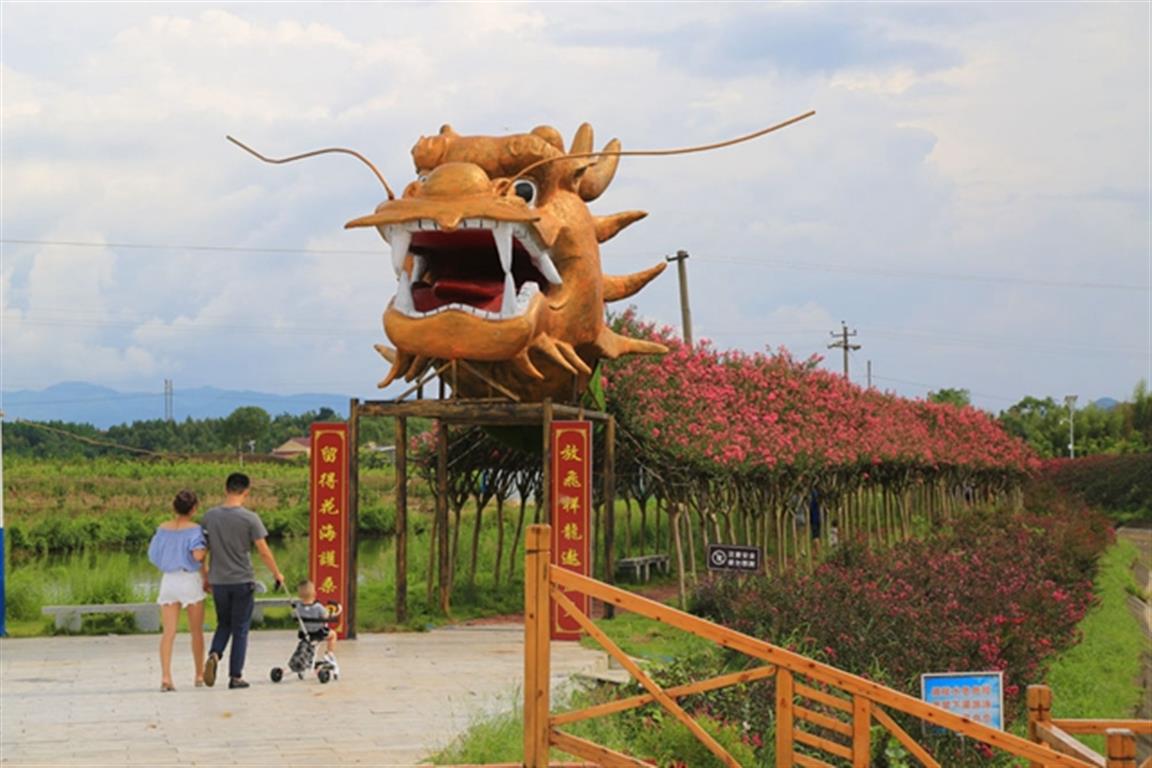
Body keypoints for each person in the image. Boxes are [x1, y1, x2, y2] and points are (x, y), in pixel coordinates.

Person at [200, 472, 284, 690]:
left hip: (219, 581)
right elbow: (263, 551)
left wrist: (205, 576)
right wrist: (277, 573)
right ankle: (235, 676)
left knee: (224, 623)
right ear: (246, 491)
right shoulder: (250, 518)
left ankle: (215, 653)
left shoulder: (209, 517)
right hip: (242, 581)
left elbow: (202, 551)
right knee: (240, 628)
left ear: (225, 489)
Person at [147, 489, 208, 692]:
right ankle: (199, 674)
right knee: (196, 631)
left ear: (174, 507)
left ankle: (166, 677)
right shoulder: (195, 530)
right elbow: (198, 556)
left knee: (168, 632)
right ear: (194, 508)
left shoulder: (162, 529)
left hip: (169, 580)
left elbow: (153, 555)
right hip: (189, 579)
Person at [294, 579, 339, 667]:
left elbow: (295, 616)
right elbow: (326, 616)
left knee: (311, 642)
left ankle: (308, 659)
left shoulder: (298, 607)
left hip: (304, 634)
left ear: (299, 595)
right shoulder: (318, 607)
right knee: (333, 635)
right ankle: (329, 653)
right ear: (314, 594)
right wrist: (332, 613)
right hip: (318, 633)